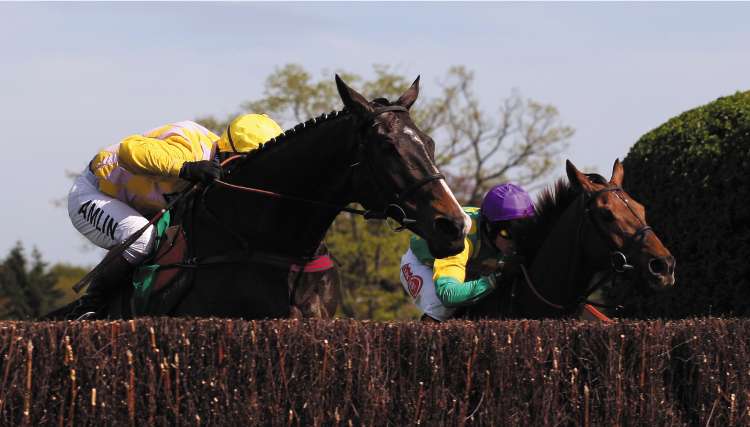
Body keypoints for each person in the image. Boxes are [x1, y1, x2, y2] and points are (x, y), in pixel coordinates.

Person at [65, 114, 283, 318]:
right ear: (232, 154)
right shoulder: (189, 147)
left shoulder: (223, 160)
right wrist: (186, 168)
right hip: (93, 194)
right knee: (140, 239)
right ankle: (89, 307)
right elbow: (128, 150)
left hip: (137, 205)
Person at [399, 183, 535, 321]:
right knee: (442, 307)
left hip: (472, 265)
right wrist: (497, 276)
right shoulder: (460, 240)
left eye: (522, 233)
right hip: (422, 264)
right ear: (489, 227)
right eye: (507, 233)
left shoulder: (498, 231)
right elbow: (448, 295)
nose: (515, 242)